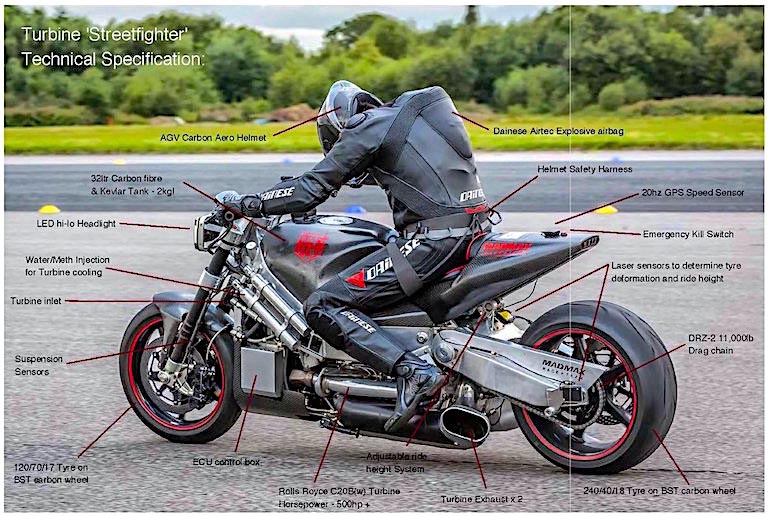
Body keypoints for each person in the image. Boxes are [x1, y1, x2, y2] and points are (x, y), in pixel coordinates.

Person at [217, 80, 490, 432]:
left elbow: (310, 190)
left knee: (323, 304)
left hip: (432, 242)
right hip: (473, 230)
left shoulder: (367, 126)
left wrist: (249, 203)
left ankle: (413, 371)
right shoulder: (411, 120)